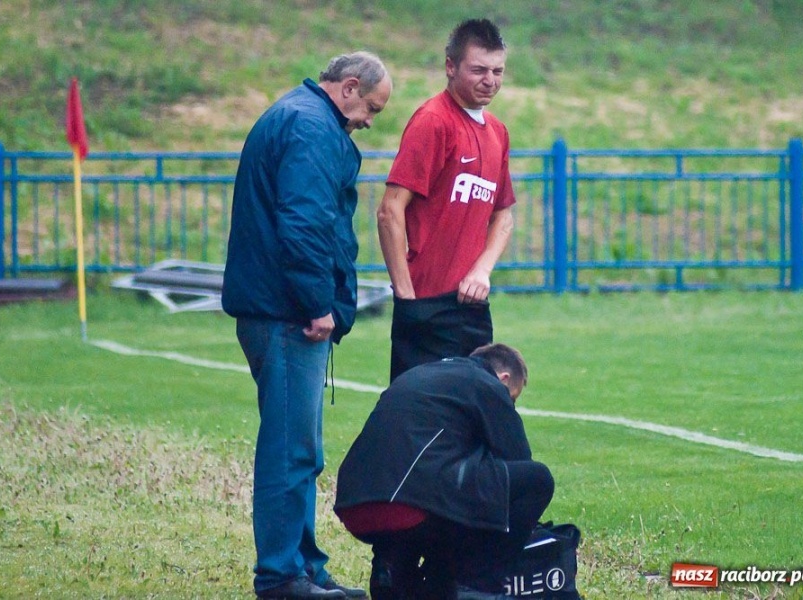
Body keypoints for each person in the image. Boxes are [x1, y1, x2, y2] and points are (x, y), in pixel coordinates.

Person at [222, 52, 393, 600]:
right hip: (288, 314)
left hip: (275, 307)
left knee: (301, 448)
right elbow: (305, 222)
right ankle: (280, 576)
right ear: (347, 88)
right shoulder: (312, 126)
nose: (369, 120)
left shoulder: (295, 115)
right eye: (371, 107)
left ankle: (305, 566)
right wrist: (319, 302)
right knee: (290, 450)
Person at [334, 344, 554, 600]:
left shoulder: (419, 374)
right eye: (512, 398)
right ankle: (477, 585)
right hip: (412, 506)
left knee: (437, 484)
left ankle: (392, 565)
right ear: (504, 379)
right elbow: (516, 459)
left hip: (355, 505)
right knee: (537, 480)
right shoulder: (488, 384)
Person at [376, 19, 516, 382]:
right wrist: (406, 297)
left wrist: (482, 270)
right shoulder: (433, 122)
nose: (490, 80)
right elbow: (390, 210)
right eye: (479, 70)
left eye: (498, 71)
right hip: (425, 302)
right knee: (419, 420)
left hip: (471, 308)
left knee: (472, 415)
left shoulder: (498, 132)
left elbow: (504, 217)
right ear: (450, 67)